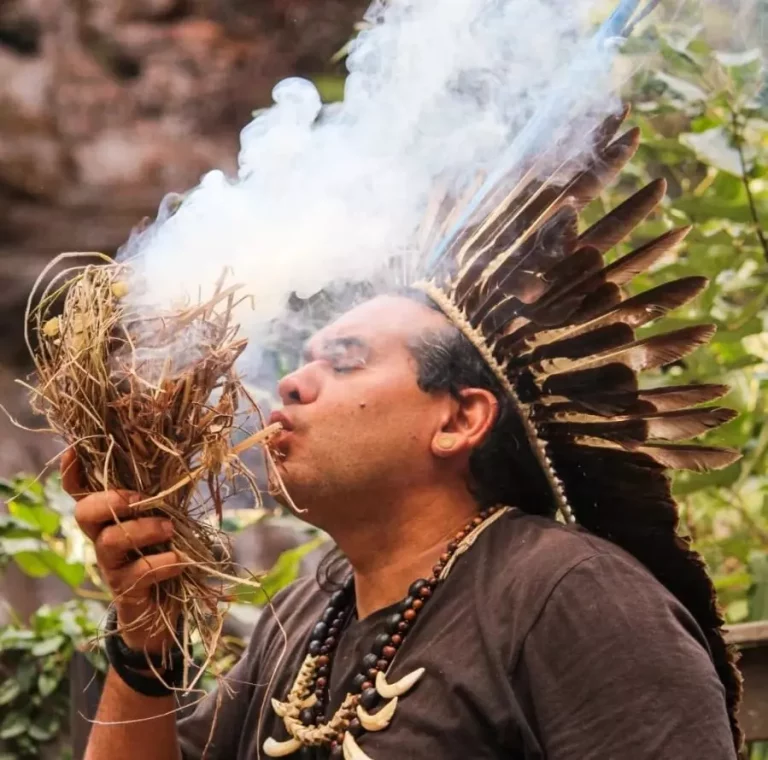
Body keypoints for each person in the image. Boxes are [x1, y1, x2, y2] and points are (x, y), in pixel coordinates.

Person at [64, 115, 742, 760]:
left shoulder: (572, 596)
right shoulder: (303, 616)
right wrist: (144, 645)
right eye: (302, 361)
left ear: (459, 421)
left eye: (344, 362)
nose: (292, 384)